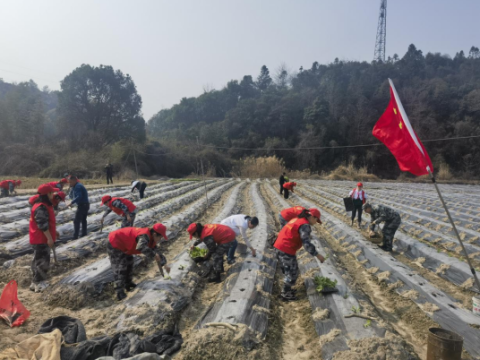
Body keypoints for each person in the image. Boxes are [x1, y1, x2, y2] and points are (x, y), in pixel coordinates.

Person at [107, 223, 169, 300]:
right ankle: (119, 291)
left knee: (129, 262)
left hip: (125, 245)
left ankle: (128, 284)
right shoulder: (144, 236)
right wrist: (153, 255)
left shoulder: (152, 238)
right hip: (115, 242)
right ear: (154, 234)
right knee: (121, 266)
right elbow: (141, 247)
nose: (161, 239)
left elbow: (155, 250)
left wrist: (164, 263)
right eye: (160, 237)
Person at [273, 208, 325, 301]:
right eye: (316, 220)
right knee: (293, 272)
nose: (316, 222)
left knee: (288, 269)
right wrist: (318, 255)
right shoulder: (305, 225)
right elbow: (306, 243)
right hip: (286, 248)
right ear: (313, 217)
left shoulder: (297, 219)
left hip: (279, 245)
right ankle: (285, 294)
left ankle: (287, 290)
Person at [29, 184, 58, 293]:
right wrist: (49, 238)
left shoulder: (43, 205)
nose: (54, 194)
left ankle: (34, 283)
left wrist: (55, 232)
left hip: (39, 237)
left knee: (38, 260)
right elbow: (42, 224)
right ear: (48, 194)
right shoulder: (41, 207)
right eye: (52, 192)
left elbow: (47, 222)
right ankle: (38, 283)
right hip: (41, 239)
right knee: (42, 261)